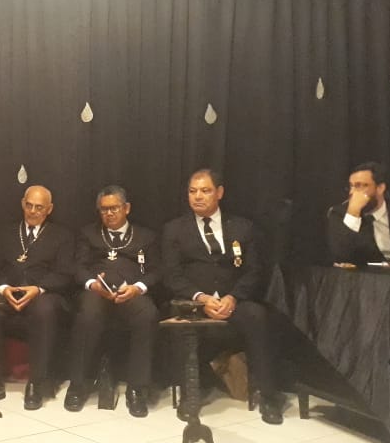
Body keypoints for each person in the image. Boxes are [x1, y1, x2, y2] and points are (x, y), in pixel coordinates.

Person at [162, 168, 283, 424]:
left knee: (258, 316)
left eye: (205, 191)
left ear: (219, 193)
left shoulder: (243, 227)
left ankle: (269, 396)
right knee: (179, 323)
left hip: (233, 300)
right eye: (192, 191)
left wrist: (233, 297)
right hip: (194, 302)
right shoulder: (174, 229)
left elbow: (254, 270)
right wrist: (201, 298)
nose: (198, 197)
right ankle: (189, 395)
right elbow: (172, 276)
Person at [63, 185, 162, 417]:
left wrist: (137, 288)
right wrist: (92, 284)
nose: (109, 214)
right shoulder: (88, 234)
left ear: (126, 208)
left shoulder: (146, 236)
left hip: (132, 292)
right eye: (103, 209)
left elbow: (157, 270)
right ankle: (78, 384)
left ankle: (137, 388)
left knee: (147, 315)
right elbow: (78, 267)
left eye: (114, 208)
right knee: (87, 315)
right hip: (97, 292)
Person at [0, 185, 75, 410]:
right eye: (29, 205)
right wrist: (4, 289)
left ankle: (37, 383)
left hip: (44, 293)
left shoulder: (62, 236)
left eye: (39, 207)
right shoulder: (5, 233)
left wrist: (38, 289)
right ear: (22, 204)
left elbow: (64, 273)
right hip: (9, 291)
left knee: (44, 310)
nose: (32, 211)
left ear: (49, 209)